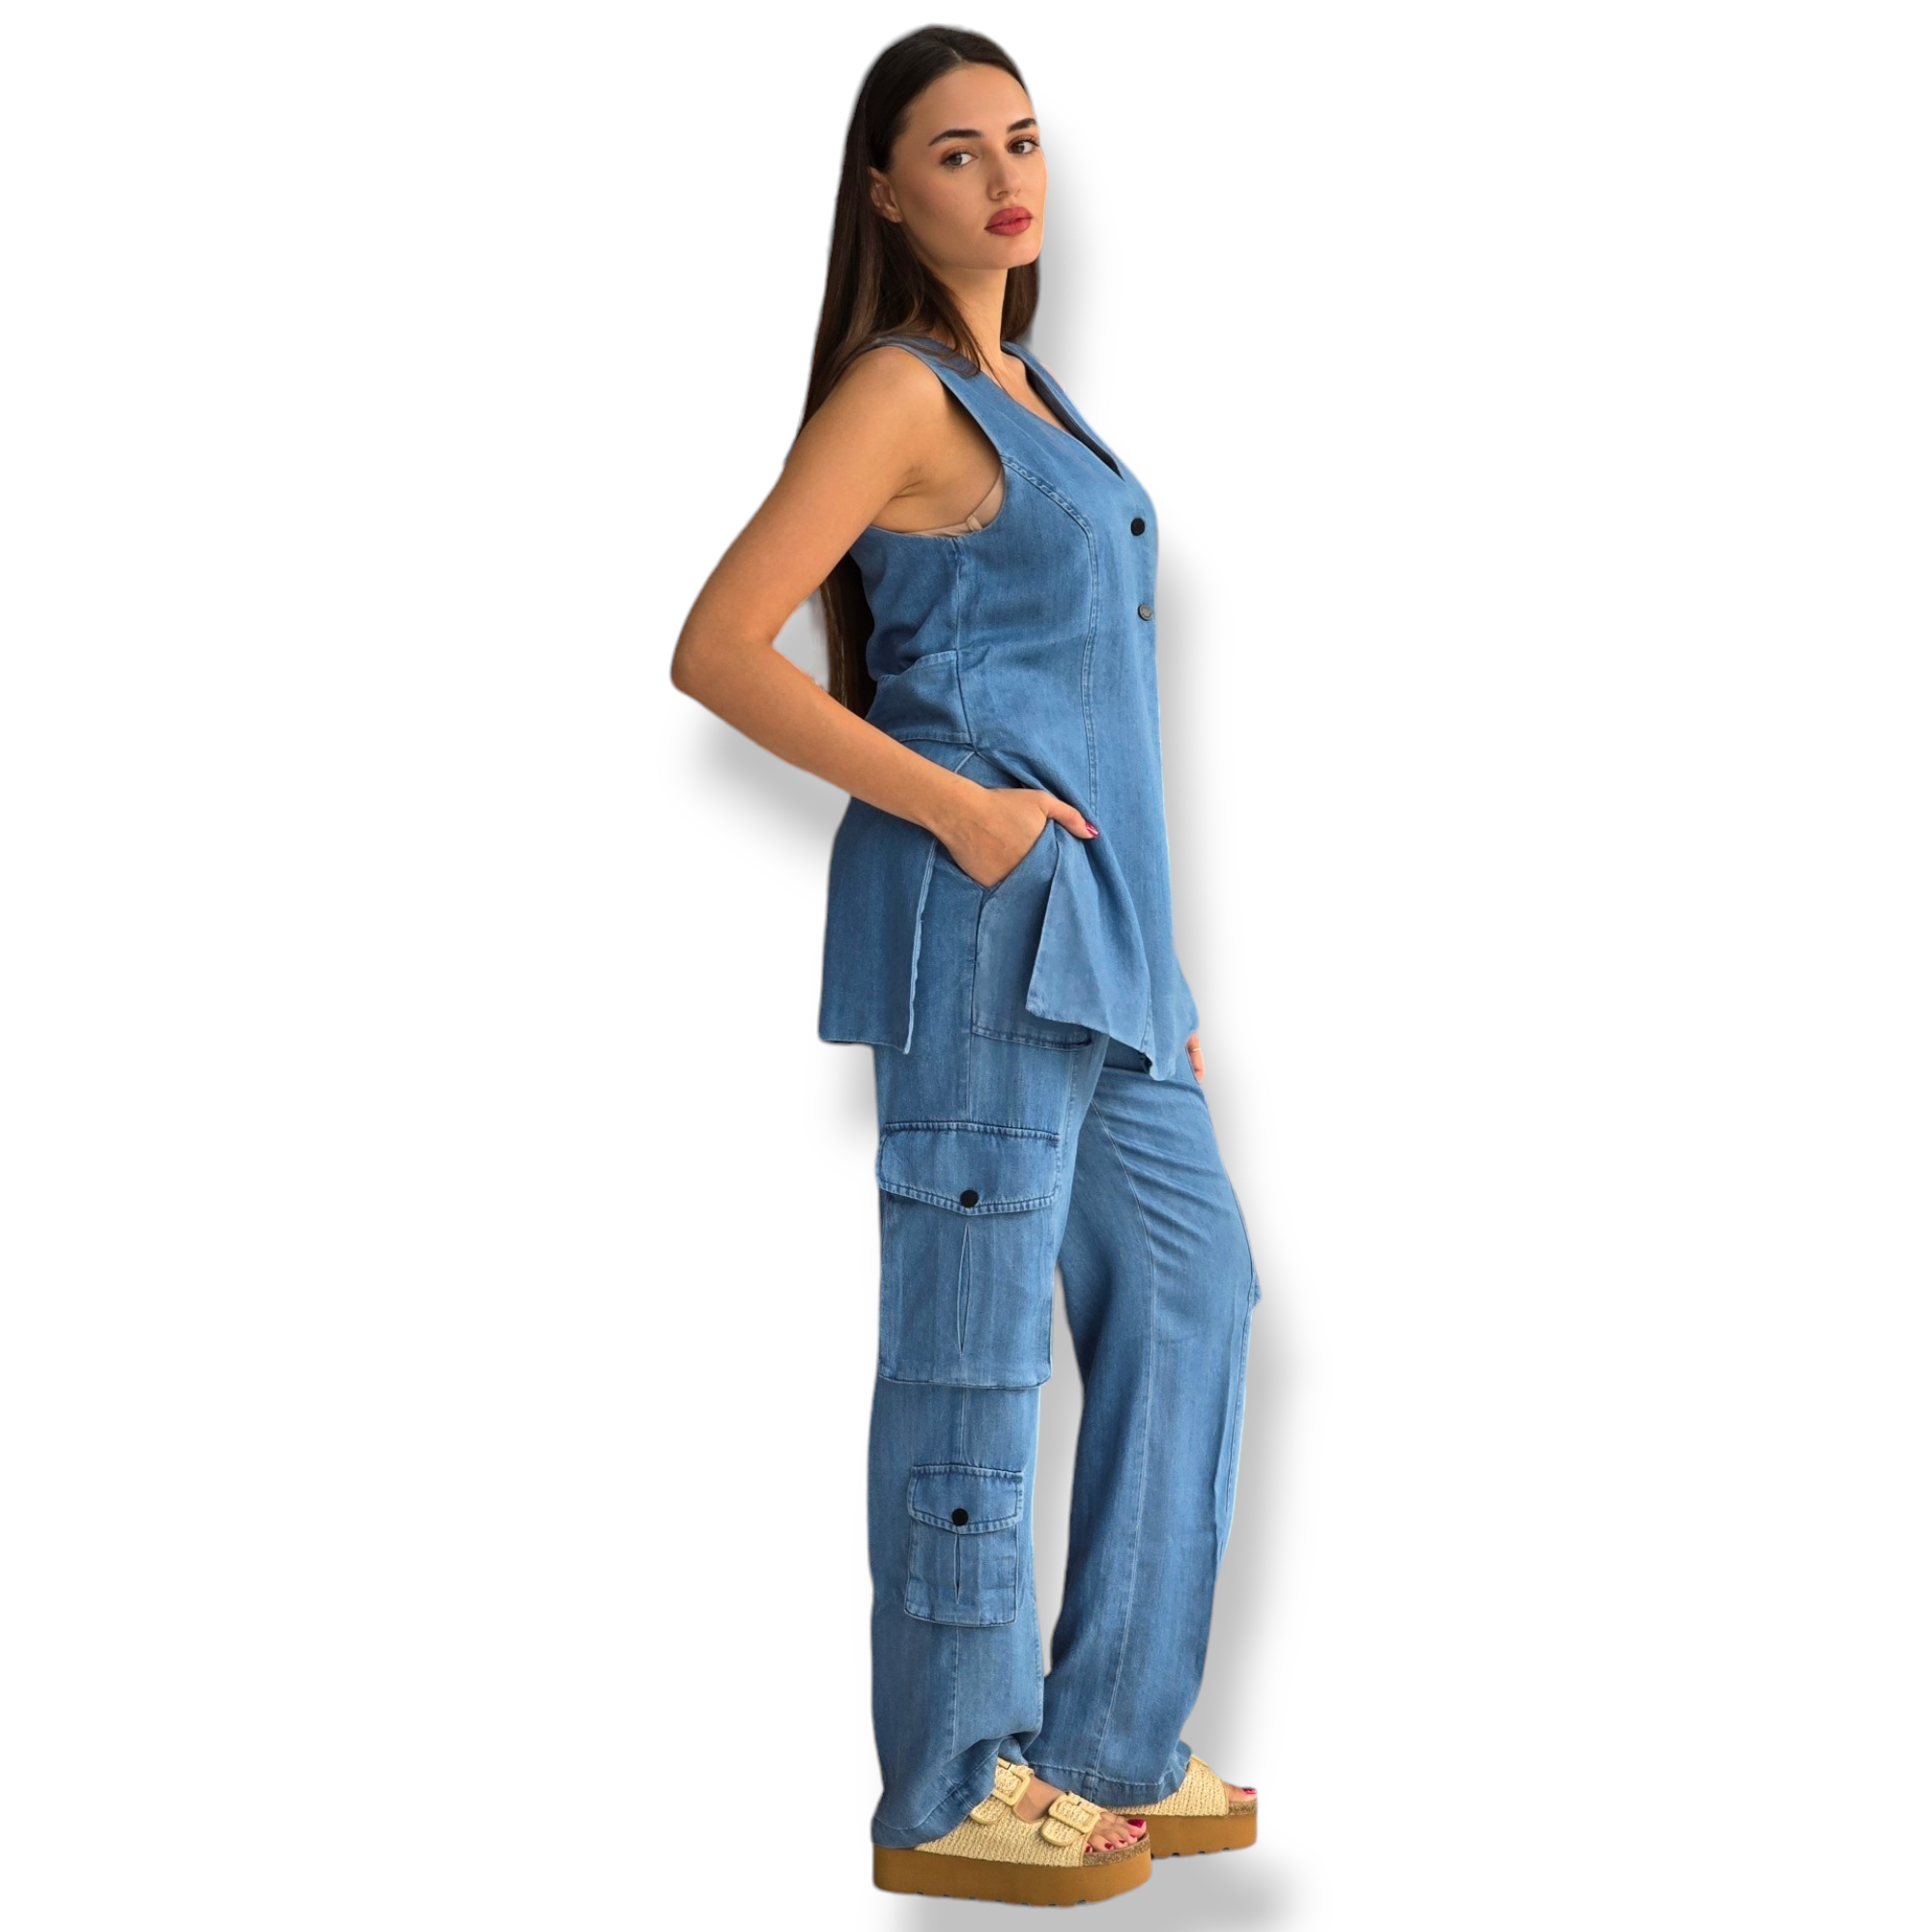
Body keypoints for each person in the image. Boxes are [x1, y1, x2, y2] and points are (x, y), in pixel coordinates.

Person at [670, 26, 1262, 1909]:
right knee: (976, 1352)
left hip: (1106, 954)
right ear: (883, 193)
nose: (1005, 177)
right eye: (953, 151)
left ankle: (1104, 1748)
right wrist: (963, 812)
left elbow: (1102, 719)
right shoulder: (900, 392)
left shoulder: (1039, 396)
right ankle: (947, 1784)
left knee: (1197, 1296)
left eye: (1021, 140)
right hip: (987, 926)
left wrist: (1163, 974)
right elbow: (719, 646)